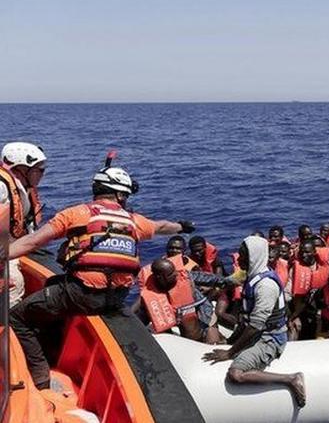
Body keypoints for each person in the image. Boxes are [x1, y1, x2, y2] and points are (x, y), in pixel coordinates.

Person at [8, 162, 194, 389]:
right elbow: (162, 226)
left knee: (16, 317)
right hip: (115, 298)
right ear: (119, 195)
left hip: (80, 294)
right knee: (53, 284)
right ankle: (54, 346)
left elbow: (33, 240)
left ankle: (40, 376)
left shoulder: (77, 213)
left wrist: (3, 255)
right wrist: (182, 227)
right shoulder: (133, 221)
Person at [202, 236, 306, 408]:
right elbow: (228, 287)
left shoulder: (266, 286)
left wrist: (229, 353)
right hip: (255, 332)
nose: (238, 259)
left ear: (254, 257)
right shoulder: (249, 275)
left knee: (236, 374)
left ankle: (291, 379)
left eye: (243, 256)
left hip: (270, 338)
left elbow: (256, 326)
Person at [137, 257, 230, 344]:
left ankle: (223, 341)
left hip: (205, 319)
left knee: (212, 341)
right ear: (159, 277)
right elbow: (140, 319)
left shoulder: (184, 276)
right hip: (182, 331)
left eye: (174, 271)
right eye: (170, 274)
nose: (175, 274)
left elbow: (211, 279)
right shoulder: (151, 297)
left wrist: (229, 281)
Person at [0, 142, 47, 306]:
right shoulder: (2, 188)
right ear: (21, 169)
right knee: (14, 282)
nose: (43, 174)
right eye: (39, 170)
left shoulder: (25, 188)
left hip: (12, 245)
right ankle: (9, 326)